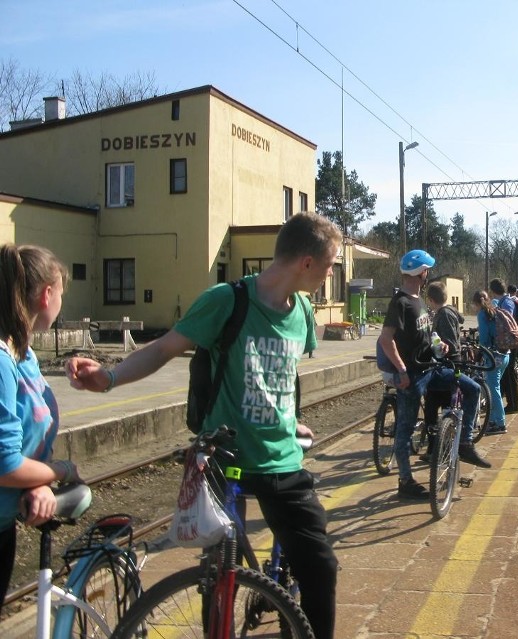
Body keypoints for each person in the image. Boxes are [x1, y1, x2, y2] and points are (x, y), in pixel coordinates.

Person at [65, 213, 340, 639]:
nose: (329, 275)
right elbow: (164, 347)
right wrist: (110, 378)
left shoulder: (303, 311)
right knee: (221, 576)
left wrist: (291, 420)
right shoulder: (226, 300)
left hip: (282, 460)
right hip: (222, 460)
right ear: (306, 262)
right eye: (329, 265)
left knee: (319, 566)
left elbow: (282, 377)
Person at [0, 244, 82, 610]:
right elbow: (5, 464)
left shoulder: (24, 351)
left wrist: (38, 481)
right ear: (47, 293)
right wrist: (59, 471)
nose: (62, 302)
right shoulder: (2, 361)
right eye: (62, 293)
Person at [377, 250, 490, 501]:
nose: (428, 273)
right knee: (405, 431)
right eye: (427, 269)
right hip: (413, 376)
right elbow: (386, 340)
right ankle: (405, 482)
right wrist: (402, 370)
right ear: (422, 273)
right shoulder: (401, 302)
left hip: (431, 369)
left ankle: (464, 442)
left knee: (471, 389)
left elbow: (428, 334)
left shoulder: (419, 301)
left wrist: (441, 346)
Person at [422, 281, 463, 448]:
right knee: (444, 405)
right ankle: (442, 445)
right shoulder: (450, 311)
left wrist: (435, 347)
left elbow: (450, 343)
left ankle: (436, 448)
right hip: (451, 363)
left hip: (447, 364)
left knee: (433, 406)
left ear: (431, 300)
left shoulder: (444, 314)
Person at [472, 290, 510, 435]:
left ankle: (499, 424)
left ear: (476, 303)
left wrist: (479, 351)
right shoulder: (495, 310)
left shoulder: (482, 314)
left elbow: (483, 340)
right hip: (505, 354)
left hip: (494, 356)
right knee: (495, 389)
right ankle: (494, 420)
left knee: (493, 391)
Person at [489, 278, 518, 414]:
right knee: (507, 373)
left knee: (509, 374)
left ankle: (514, 404)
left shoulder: (506, 303)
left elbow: (506, 322)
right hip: (508, 341)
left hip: (509, 342)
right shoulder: (505, 301)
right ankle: (511, 403)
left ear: (493, 291)